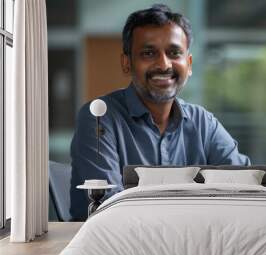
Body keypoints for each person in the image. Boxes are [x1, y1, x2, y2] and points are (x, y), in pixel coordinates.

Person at [70, 4, 250, 221]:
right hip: (112, 250)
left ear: (189, 64)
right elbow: (110, 209)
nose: (164, 64)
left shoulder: (204, 123)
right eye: (148, 53)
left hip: (194, 246)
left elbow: (246, 186)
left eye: (174, 53)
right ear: (127, 63)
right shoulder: (99, 118)